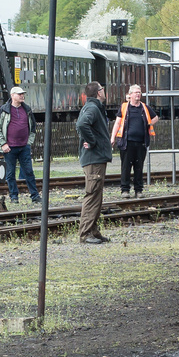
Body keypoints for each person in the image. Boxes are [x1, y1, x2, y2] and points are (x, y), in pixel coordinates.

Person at [75, 81, 111, 244]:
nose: (104, 92)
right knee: (92, 194)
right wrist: (93, 141)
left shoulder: (92, 107)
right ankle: (85, 233)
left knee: (97, 195)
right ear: (99, 92)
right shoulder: (92, 108)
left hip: (96, 158)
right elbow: (82, 124)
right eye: (102, 89)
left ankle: (93, 230)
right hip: (93, 158)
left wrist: (90, 139)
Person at [0, 85, 41, 205]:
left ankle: (35, 196)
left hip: (24, 146)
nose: (22, 96)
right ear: (12, 95)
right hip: (9, 148)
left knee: (29, 172)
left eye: (22, 94)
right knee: (10, 174)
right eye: (19, 94)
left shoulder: (27, 109)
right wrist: (3, 144)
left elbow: (33, 128)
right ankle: (14, 197)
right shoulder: (4, 110)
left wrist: (28, 143)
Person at [109, 84, 156, 198]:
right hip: (126, 143)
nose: (138, 94)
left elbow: (155, 117)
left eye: (139, 92)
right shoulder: (124, 107)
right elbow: (117, 122)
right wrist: (112, 137)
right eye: (136, 92)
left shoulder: (145, 108)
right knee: (126, 167)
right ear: (130, 95)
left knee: (138, 167)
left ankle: (138, 190)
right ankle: (125, 190)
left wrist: (149, 124)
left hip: (141, 143)